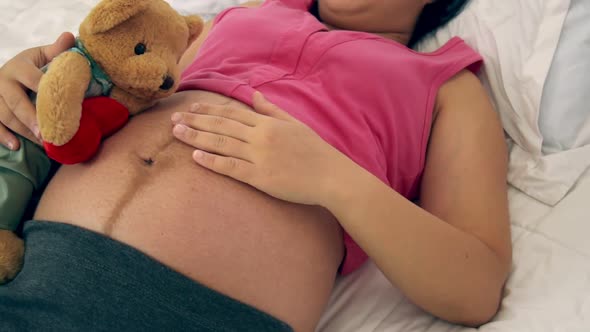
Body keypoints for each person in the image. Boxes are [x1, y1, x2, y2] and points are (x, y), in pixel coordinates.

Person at [0, 0, 512, 331]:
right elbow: (120, 77)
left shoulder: (447, 87)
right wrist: (28, 88)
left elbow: (476, 289)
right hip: (28, 270)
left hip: (194, 314)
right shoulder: (234, 17)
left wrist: (331, 178)